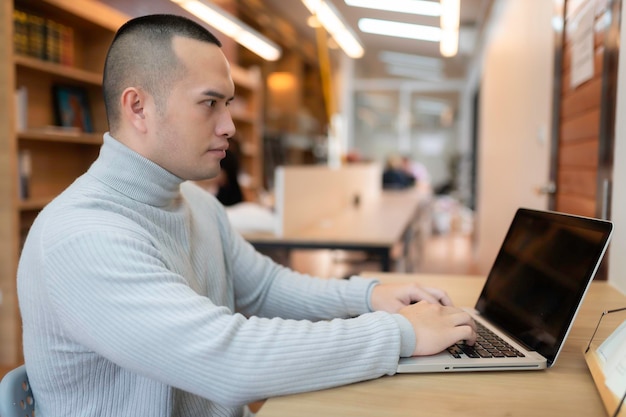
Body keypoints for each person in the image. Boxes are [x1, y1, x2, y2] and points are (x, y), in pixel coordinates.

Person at [16, 14, 476, 417]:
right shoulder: (82, 236)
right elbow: (227, 361)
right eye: (209, 103)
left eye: (229, 104)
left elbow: (264, 287)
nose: (229, 126)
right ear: (138, 107)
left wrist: (370, 298)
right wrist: (398, 334)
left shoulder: (193, 201)